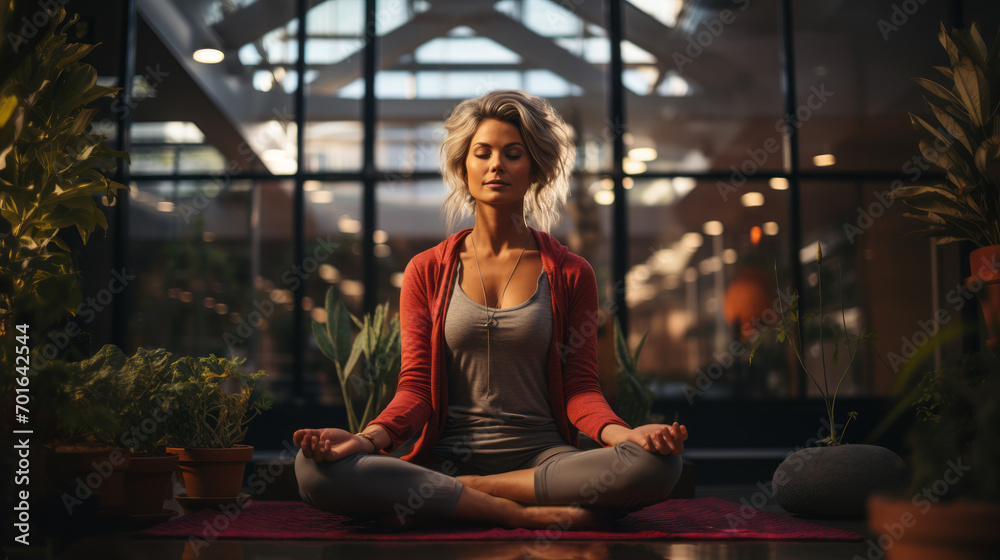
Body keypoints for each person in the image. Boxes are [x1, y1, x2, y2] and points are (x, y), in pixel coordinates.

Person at [294, 90, 688, 529]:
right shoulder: (425, 271)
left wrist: (626, 435)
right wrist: (365, 441)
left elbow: (580, 390)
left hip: (542, 459)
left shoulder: (572, 273)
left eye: (513, 154)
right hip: (444, 457)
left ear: (535, 169)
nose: (496, 164)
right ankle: (514, 511)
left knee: (658, 466)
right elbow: (416, 390)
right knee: (311, 469)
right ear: (464, 168)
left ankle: (472, 494)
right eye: (482, 153)